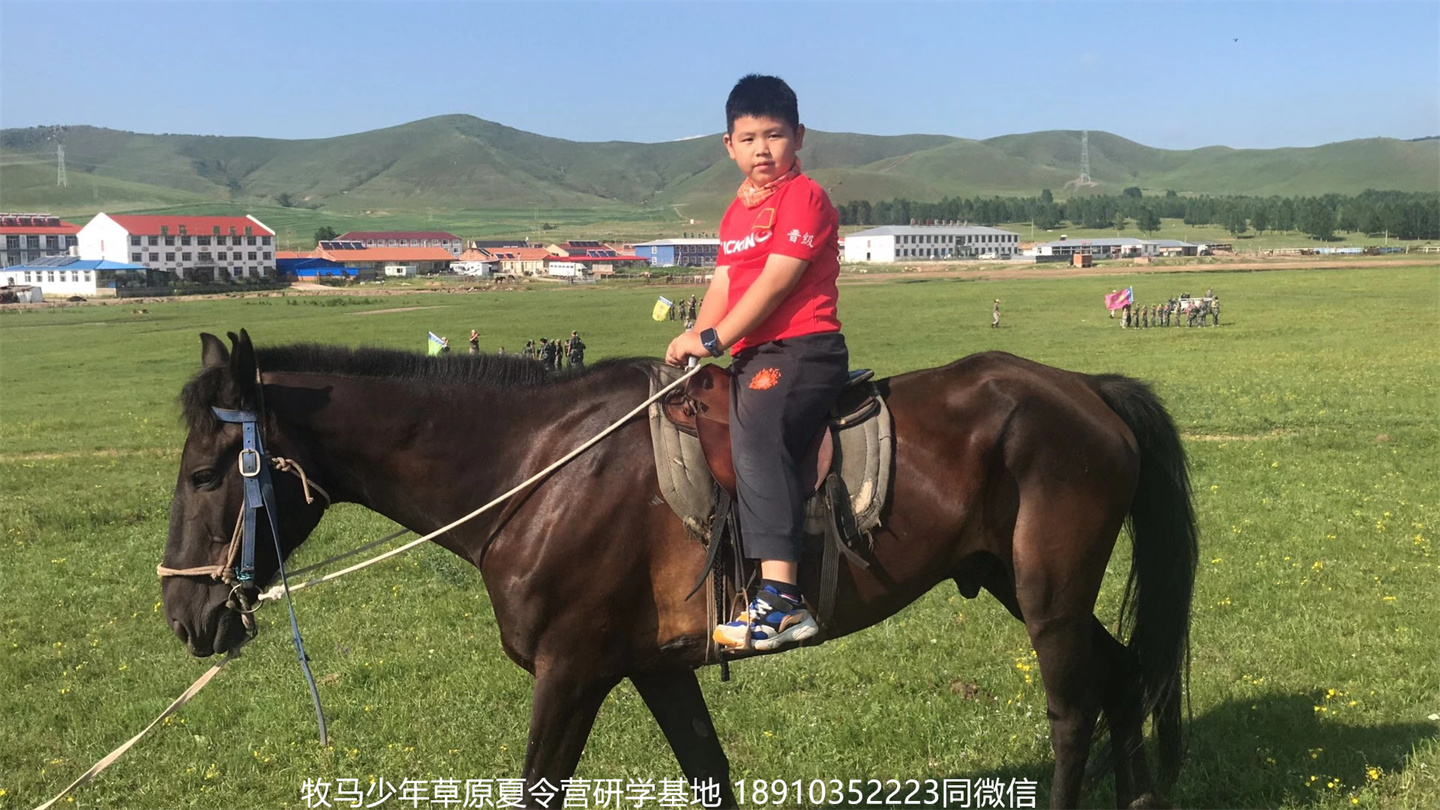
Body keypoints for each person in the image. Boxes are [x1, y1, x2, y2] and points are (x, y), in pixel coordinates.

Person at [665, 74, 847, 653]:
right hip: (752, 351)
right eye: (748, 139)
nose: (761, 150)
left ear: (799, 135)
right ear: (728, 145)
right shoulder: (734, 215)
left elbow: (774, 284)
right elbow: (724, 282)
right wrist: (692, 334)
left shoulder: (805, 197)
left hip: (802, 347)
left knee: (756, 438)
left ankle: (783, 601)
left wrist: (714, 337)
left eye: (773, 136)